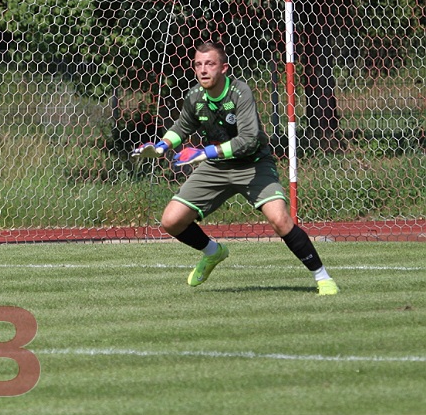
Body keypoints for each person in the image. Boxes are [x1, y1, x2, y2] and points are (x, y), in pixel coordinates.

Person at [133, 40, 339, 295]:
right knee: (171, 221)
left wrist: (205, 152)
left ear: (223, 68)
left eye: (210, 64)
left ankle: (323, 278)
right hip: (216, 167)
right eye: (198, 64)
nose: (203, 70)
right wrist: (161, 146)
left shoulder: (240, 92)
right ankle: (213, 252)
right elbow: (182, 126)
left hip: (253, 164)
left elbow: (248, 139)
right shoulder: (195, 96)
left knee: (280, 219)